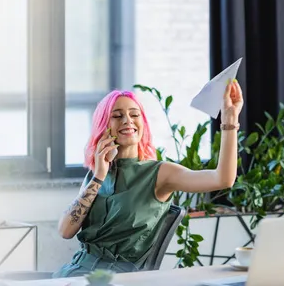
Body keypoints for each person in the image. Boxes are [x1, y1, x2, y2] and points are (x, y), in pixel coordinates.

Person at [52, 79, 244, 278]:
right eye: (117, 116)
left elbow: (222, 179)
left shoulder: (160, 173)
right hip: (76, 272)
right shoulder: (97, 173)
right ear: (104, 127)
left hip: (118, 279)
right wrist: (99, 175)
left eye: (134, 115)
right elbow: (66, 231)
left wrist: (229, 122)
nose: (128, 120)